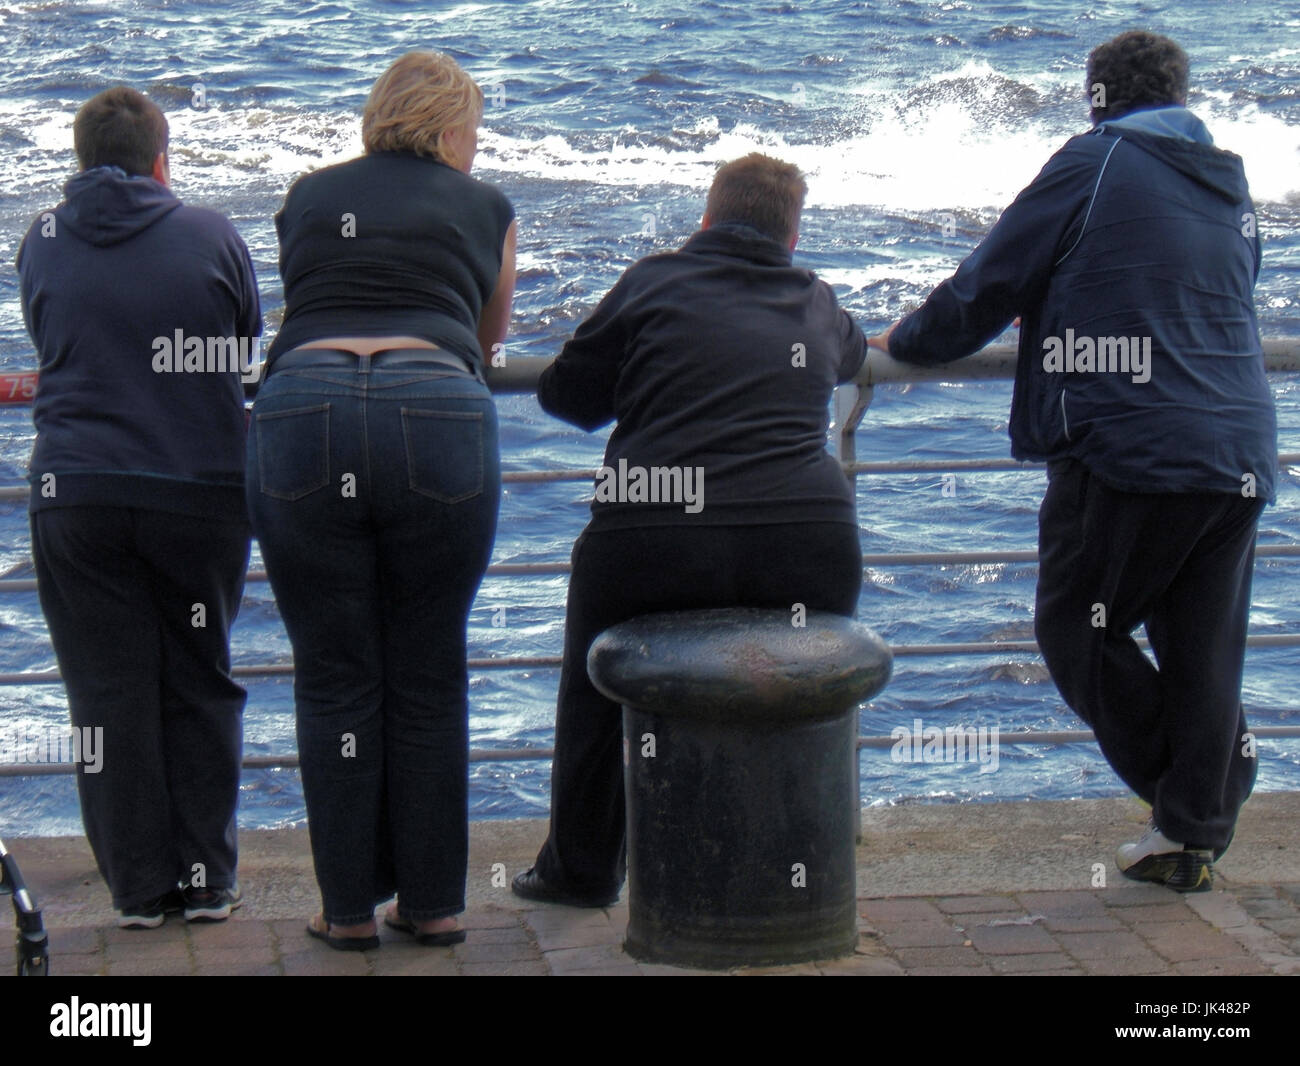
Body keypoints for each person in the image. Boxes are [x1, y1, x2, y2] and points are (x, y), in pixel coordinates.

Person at [869, 31, 1276, 891]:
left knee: (1074, 628)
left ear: (1097, 96)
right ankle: (1189, 825)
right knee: (1201, 646)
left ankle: (1208, 791)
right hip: (1238, 445)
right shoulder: (1231, 184)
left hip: (1132, 448)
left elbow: (989, 282)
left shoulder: (1093, 161)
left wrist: (903, 343)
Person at [512, 153, 866, 907]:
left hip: (656, 533)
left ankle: (581, 869)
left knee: (593, 686)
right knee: (800, 685)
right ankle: (794, 853)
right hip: (807, 538)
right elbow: (853, 356)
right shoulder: (818, 301)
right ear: (794, 236)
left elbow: (566, 396)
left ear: (705, 218)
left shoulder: (652, 281)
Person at [247, 51, 516, 949]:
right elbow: (486, 337)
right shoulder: (487, 208)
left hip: (304, 404)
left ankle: (348, 910)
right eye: (472, 132)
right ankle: (434, 903)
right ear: (448, 128)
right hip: (435, 402)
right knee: (430, 667)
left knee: (333, 674)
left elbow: (303, 302)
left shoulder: (309, 195)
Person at [17, 87, 261, 927]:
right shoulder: (211, 232)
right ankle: (206, 882)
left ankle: (138, 890)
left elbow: (52, 340)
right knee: (199, 679)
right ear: (164, 158)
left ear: (80, 160)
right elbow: (242, 343)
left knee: (106, 695)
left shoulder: (40, 240)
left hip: (75, 492)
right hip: (196, 491)